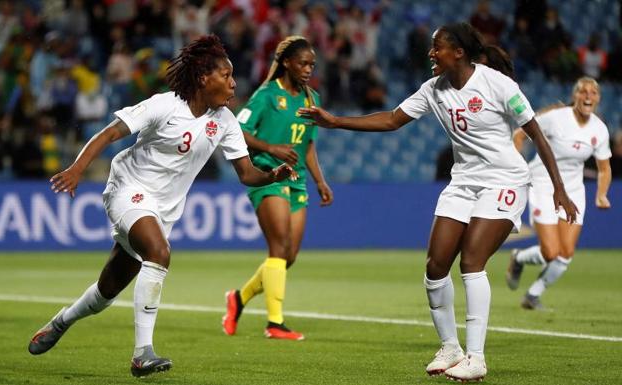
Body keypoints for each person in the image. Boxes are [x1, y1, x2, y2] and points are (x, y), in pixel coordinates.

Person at [299, 22, 577, 382]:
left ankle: (476, 357)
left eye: (438, 47)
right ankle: (451, 347)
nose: (431, 53)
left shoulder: (498, 85)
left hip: (505, 181)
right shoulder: (433, 89)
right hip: (463, 182)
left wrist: (558, 188)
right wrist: (335, 121)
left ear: (458, 52)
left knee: (472, 262)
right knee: (435, 265)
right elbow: (391, 120)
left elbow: (536, 133)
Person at [26, 35, 295, 378]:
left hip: (162, 210)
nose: (233, 83)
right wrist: (77, 169)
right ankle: (142, 354)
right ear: (203, 78)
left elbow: (246, 173)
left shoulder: (225, 121)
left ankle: (61, 321)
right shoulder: (164, 105)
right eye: (226, 76)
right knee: (159, 252)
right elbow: (110, 133)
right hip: (128, 190)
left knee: (107, 291)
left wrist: (272, 175)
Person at [222, 36, 333, 341]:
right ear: (286, 63)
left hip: (298, 180)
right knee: (278, 248)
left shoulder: (313, 99)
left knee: (288, 256)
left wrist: (320, 180)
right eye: (303, 63)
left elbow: (307, 144)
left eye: (312, 64)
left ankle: (239, 299)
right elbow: (238, 131)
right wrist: (270, 147)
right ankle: (275, 323)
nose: (309, 69)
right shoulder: (267, 95)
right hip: (268, 174)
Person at [506, 77, 612, 310]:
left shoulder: (599, 129)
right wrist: (516, 163)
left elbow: (604, 168)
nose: (588, 96)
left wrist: (601, 194)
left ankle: (533, 296)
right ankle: (519, 258)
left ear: (598, 99)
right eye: (583, 91)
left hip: (573, 191)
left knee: (566, 253)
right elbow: (520, 133)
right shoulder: (555, 119)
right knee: (551, 251)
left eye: (593, 93)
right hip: (543, 186)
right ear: (575, 96)